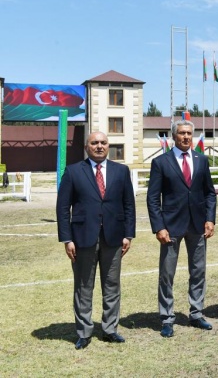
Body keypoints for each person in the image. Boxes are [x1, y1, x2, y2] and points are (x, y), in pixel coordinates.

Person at [56, 132, 136, 349]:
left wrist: (128, 234)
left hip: (114, 237)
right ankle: (83, 332)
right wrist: (67, 238)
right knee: (83, 286)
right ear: (86, 146)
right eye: (95, 143)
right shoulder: (73, 172)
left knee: (112, 285)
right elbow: (63, 208)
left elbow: (129, 204)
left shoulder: (121, 171)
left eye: (103, 142)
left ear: (108, 146)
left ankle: (110, 329)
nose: (99, 146)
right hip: (82, 238)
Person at [147, 120, 217, 337]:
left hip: (197, 225)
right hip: (171, 227)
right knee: (167, 274)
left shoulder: (201, 160)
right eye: (182, 133)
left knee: (198, 271)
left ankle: (196, 314)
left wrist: (210, 219)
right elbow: (152, 198)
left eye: (189, 133)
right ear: (174, 136)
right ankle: (167, 318)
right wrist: (159, 227)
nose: (186, 137)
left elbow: (209, 193)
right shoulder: (161, 162)